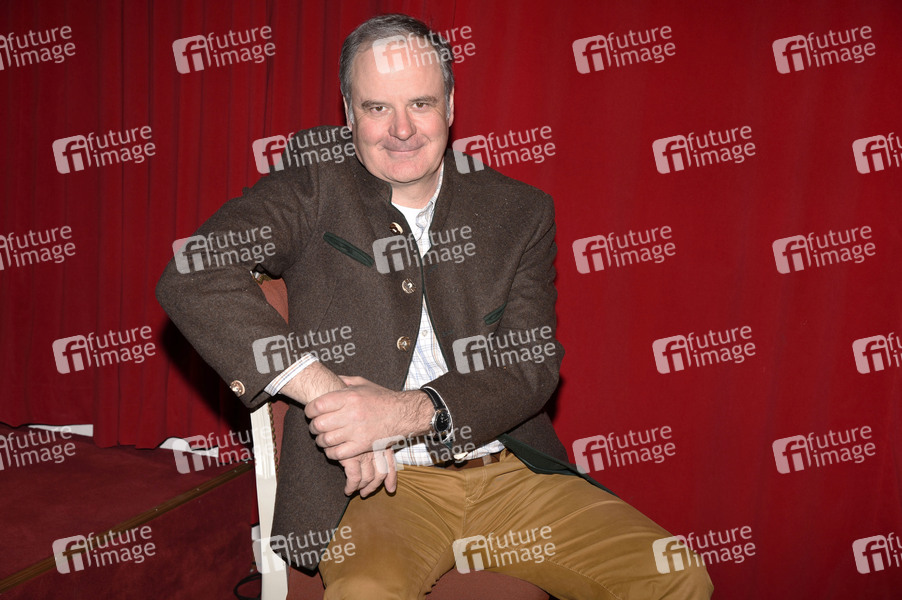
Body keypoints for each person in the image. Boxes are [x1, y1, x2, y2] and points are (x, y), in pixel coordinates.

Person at [156, 13, 712, 599]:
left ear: (449, 106)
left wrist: (404, 413)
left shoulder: (518, 211)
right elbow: (194, 272)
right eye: (377, 107)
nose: (401, 130)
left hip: (511, 474)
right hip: (374, 488)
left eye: (420, 104)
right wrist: (327, 391)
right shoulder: (315, 182)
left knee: (675, 576)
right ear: (348, 113)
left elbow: (530, 366)